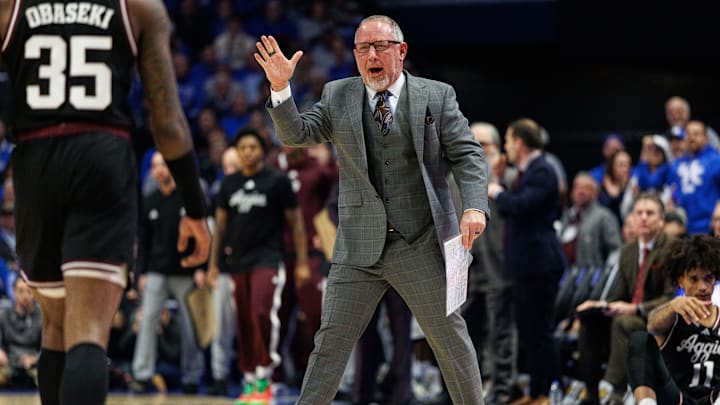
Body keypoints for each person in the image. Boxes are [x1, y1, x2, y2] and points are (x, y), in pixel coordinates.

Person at [254, 14, 489, 405]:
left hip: (421, 242)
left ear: (401, 51)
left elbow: (468, 155)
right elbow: (296, 135)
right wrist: (281, 88)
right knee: (329, 345)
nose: (371, 55)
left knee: (450, 339)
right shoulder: (338, 95)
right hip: (358, 247)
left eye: (380, 46)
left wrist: (474, 207)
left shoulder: (436, 95)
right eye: (363, 48)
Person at [0, 1, 211, 404]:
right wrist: (195, 209)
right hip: (101, 154)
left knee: (56, 326)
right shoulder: (139, 8)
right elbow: (167, 123)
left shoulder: (11, 7)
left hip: (34, 158)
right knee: (89, 332)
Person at [209, 128, 308, 404]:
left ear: (262, 151)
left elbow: (297, 223)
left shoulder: (277, 181)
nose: (248, 152)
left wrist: (301, 262)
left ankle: (266, 376)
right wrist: (213, 265)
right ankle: (250, 381)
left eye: (253, 147)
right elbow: (220, 226)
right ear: (237, 153)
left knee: (261, 312)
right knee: (243, 322)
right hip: (237, 263)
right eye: (243, 148)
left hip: (268, 260)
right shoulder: (228, 184)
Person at [488, 118, 565, 405]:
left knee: (540, 331)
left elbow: (520, 206)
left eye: (507, 140)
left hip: (540, 263)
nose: (506, 146)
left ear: (519, 143)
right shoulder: (527, 170)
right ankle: (535, 391)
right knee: (530, 330)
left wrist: (496, 191)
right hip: (526, 264)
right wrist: (499, 180)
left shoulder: (543, 170)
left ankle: (544, 392)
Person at [575, 193, 674, 404]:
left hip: (656, 319)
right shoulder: (628, 250)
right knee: (589, 319)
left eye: (650, 213)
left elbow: (670, 297)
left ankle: (613, 390)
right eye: (639, 213)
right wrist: (601, 305)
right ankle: (591, 391)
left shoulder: (671, 249)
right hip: (629, 314)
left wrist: (635, 308)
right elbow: (619, 295)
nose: (644, 218)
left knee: (623, 321)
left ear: (662, 220)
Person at [128, 152, 206, 394]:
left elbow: (202, 235)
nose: (159, 170)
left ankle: (192, 376)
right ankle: (142, 374)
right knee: (148, 319)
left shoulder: (188, 199)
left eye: (163, 165)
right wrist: (140, 272)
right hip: (156, 271)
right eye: (155, 166)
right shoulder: (149, 199)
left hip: (186, 271)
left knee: (191, 327)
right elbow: (143, 240)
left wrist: (201, 268)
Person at [626, 234, 720, 405]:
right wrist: (671, 307)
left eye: (708, 278)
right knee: (639, 338)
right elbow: (652, 325)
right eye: (694, 279)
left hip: (714, 399)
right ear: (680, 281)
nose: (703, 287)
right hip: (676, 399)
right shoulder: (672, 315)